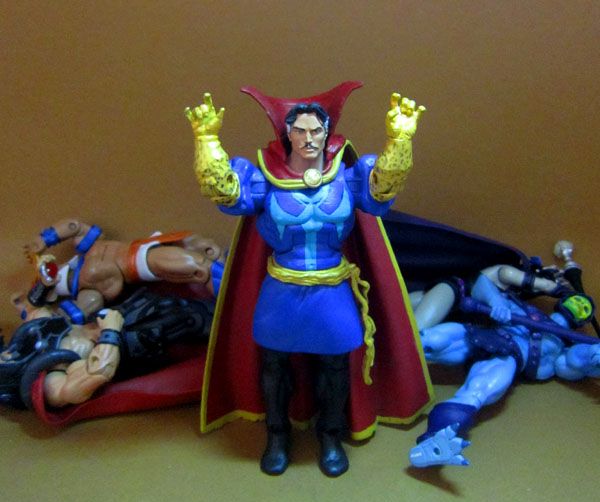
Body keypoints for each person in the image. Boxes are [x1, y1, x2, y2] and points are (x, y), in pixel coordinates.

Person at [185, 82, 432, 477]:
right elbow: (227, 192)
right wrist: (207, 139)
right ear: (288, 135)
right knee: (274, 365)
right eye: (299, 130)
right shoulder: (267, 178)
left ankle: (330, 435)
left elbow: (382, 186)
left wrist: (399, 140)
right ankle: (277, 434)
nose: (308, 138)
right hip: (282, 288)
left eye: (316, 130)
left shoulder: (346, 176)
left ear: (327, 133)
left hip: (332, 288)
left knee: (335, 366)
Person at [408, 265, 600, 468]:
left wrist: (593, 356)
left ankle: (434, 440)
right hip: (489, 336)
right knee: (429, 340)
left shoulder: (561, 348)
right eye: (577, 303)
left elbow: (573, 364)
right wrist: (496, 303)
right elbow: (481, 283)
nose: (577, 308)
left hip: (510, 357)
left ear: (581, 321)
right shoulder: (527, 310)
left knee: (478, 391)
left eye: (583, 310)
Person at [0, 288, 214, 411]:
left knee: (163, 302)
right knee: (178, 319)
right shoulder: (50, 382)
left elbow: (37, 304)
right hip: (126, 344)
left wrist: (42, 285)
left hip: (109, 318)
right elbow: (99, 372)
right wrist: (111, 331)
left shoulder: (29, 334)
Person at [18, 218, 224, 323]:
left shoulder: (85, 249)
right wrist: (39, 314)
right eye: (47, 273)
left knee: (208, 249)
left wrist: (44, 239)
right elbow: (80, 313)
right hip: (140, 262)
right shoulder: (88, 290)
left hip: (148, 243)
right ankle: (231, 303)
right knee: (201, 269)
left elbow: (74, 226)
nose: (50, 270)